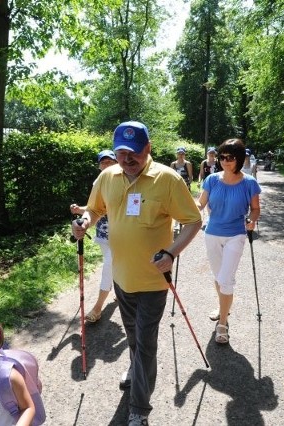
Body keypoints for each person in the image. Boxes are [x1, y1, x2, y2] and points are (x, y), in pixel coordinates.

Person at [72, 121, 201, 426]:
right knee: (133, 335)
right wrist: (85, 222)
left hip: (154, 281)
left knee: (145, 342)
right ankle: (135, 370)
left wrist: (171, 252)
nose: (127, 159)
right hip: (121, 278)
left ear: (148, 149)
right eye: (121, 153)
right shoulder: (107, 176)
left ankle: (138, 410)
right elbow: (94, 209)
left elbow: (193, 220)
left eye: (134, 153)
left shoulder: (167, 179)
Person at [196, 139, 261, 344]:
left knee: (226, 279)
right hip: (212, 233)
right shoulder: (212, 180)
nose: (225, 161)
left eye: (230, 157)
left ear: (239, 159)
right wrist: (184, 208)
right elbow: (201, 203)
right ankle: (223, 306)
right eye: (222, 157)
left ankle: (222, 323)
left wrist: (252, 220)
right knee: (218, 276)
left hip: (236, 234)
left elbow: (255, 208)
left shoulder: (249, 182)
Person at [70, 149, 118, 323]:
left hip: (121, 233)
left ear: (116, 162)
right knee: (112, 263)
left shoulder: (123, 178)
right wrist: (80, 210)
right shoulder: (99, 181)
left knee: (109, 264)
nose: (106, 165)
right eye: (103, 162)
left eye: (109, 161)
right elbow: (95, 207)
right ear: (99, 165)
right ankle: (119, 289)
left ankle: (98, 308)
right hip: (104, 232)